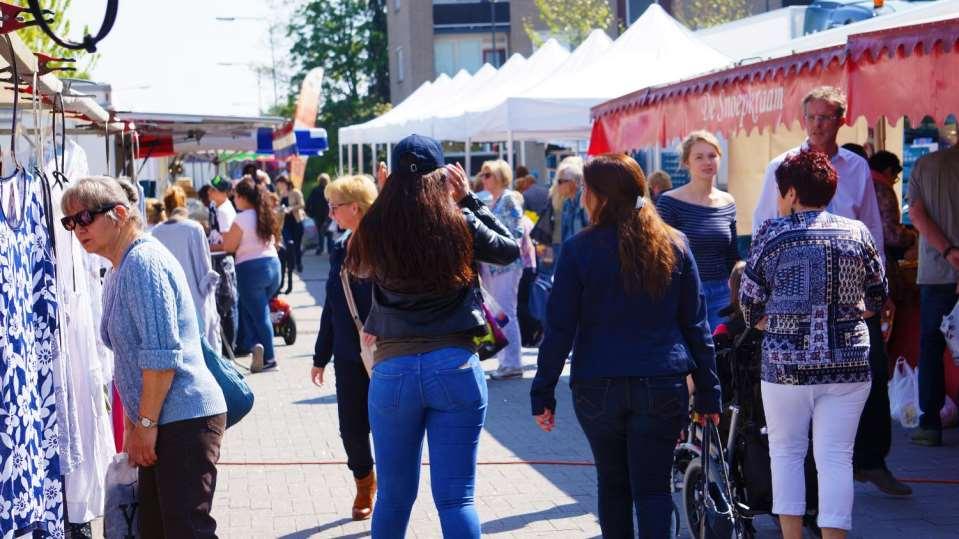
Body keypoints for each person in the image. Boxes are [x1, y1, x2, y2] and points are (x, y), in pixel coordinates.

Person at [530, 153, 722, 537]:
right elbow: (696, 326)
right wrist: (709, 393)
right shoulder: (675, 243)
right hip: (662, 382)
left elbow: (559, 328)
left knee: (613, 486)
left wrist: (543, 391)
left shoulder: (578, 249)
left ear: (600, 196)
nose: (582, 196)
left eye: (587, 189)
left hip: (597, 385)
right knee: (653, 489)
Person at [344, 134, 519, 538]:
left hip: (393, 371)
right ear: (444, 175)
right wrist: (470, 201)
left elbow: (356, 265)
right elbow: (508, 250)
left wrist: (381, 202)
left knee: (392, 497)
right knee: (457, 499)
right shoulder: (458, 220)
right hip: (454, 363)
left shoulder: (378, 226)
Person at [752, 86, 907, 496]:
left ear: (842, 120)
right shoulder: (781, 166)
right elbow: (763, 228)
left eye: (828, 117)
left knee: (870, 373)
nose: (820, 125)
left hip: (850, 299)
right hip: (795, 299)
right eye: (813, 117)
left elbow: (872, 229)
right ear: (804, 120)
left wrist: (879, 288)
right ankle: (809, 484)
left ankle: (871, 461)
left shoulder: (856, 168)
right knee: (799, 399)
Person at [60, 176, 227, 538]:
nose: (76, 229)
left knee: (186, 530)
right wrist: (136, 426)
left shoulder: (141, 263)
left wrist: (145, 426)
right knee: (155, 529)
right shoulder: (121, 267)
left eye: (84, 218)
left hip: (182, 417)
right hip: (163, 419)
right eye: (69, 222)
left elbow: (160, 356)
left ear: (119, 213)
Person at [741, 150, 887, 538]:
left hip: (785, 366)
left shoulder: (771, 235)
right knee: (836, 459)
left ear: (789, 193)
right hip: (849, 364)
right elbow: (877, 298)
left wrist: (776, 323)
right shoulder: (858, 232)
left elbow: (749, 304)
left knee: (786, 455)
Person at [311, 174, 379, 521]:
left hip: (387, 355)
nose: (331, 212)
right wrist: (320, 356)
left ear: (355, 207)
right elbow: (332, 306)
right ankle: (364, 481)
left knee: (385, 426)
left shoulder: (387, 245)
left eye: (335, 206)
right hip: (348, 356)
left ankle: (393, 491)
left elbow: (398, 296)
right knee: (351, 428)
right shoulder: (340, 247)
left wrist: (379, 323)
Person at [657, 131, 739, 331]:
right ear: (687, 163)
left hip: (722, 293)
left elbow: (732, 255)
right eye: (699, 157)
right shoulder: (669, 202)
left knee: (722, 355)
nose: (707, 162)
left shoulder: (728, 202)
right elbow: (661, 256)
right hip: (685, 291)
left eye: (712, 155)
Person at [907, 142, 959, 447]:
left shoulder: (925, 165)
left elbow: (916, 213)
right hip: (942, 271)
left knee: (931, 348)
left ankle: (929, 423)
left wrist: (948, 252)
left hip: (935, 273)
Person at [221, 177, 281, 373]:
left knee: (259, 314)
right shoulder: (264, 213)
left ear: (243, 197)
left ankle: (270, 358)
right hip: (273, 266)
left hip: (251, 269)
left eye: (235, 196)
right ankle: (256, 347)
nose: (234, 200)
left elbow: (229, 245)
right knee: (252, 311)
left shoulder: (241, 218)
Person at [150, 186, 222, 351]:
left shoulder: (156, 233)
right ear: (184, 204)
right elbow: (205, 270)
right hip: (197, 300)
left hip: (168, 304)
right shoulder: (194, 229)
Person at [478, 159, 526, 381]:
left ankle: (513, 362)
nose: (483, 178)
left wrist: (500, 249)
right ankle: (506, 361)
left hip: (505, 267)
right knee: (499, 315)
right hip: (493, 267)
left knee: (506, 313)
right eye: (483, 174)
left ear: (499, 176)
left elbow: (517, 231)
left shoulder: (507, 199)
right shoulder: (493, 200)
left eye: (487, 174)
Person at [208, 175, 240, 352]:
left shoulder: (225, 211)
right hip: (218, 258)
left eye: (214, 189)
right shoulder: (217, 207)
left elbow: (227, 244)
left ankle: (230, 349)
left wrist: (206, 246)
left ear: (223, 193)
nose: (210, 191)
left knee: (227, 304)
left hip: (223, 260)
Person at [276, 176, 306, 290]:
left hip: (296, 221)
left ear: (285, 183)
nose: (279, 186)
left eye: (280, 183)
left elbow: (302, 204)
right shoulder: (281, 194)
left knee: (296, 245)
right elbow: (278, 206)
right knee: (289, 244)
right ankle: (291, 265)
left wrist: (291, 208)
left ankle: (298, 263)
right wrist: (280, 209)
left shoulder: (295, 192)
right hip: (285, 224)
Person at [305, 173, 332, 255]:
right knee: (329, 231)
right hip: (328, 213)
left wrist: (308, 212)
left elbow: (309, 201)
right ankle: (330, 249)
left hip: (317, 214)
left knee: (320, 231)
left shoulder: (315, 190)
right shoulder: (329, 190)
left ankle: (320, 248)